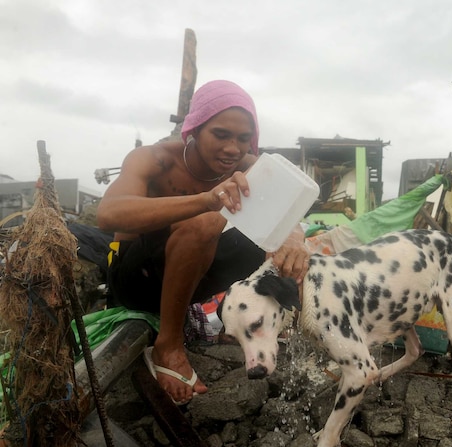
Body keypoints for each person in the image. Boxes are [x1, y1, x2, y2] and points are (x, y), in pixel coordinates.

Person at [97, 80, 310, 404]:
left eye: (243, 138)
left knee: (269, 240)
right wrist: (205, 200)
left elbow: (288, 212)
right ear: (194, 129)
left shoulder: (250, 168)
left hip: (188, 283)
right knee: (209, 220)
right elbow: (108, 214)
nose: (232, 149)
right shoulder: (156, 159)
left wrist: (294, 239)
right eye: (220, 134)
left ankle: (279, 331)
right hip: (134, 281)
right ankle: (168, 345)